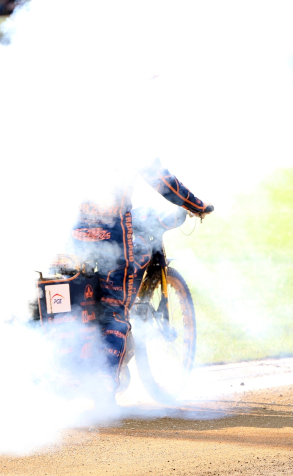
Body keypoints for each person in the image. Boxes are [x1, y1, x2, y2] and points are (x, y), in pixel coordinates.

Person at [68, 158, 213, 405]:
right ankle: (104, 395)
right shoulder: (132, 141)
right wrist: (197, 205)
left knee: (68, 298)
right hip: (111, 235)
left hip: (72, 233)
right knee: (114, 312)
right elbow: (164, 181)